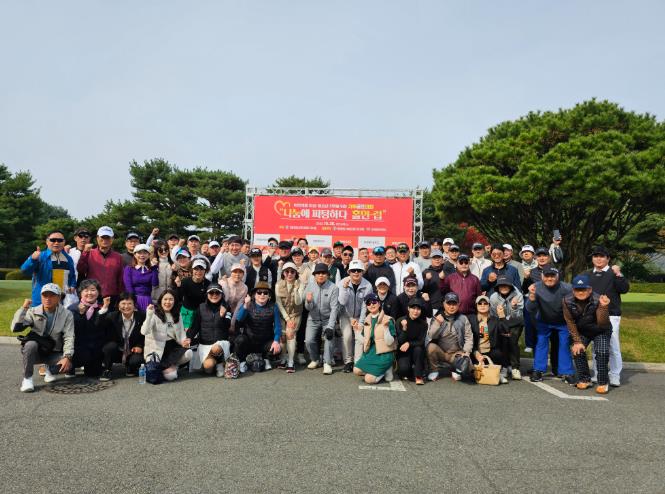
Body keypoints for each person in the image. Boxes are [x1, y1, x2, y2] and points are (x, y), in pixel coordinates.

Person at [12, 284, 74, 392]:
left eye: (52, 295)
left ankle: (48, 369)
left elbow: (69, 336)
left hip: (53, 352)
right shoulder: (33, 311)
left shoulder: (67, 314)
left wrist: (67, 357)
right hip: (35, 351)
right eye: (45, 295)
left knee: (69, 365)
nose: (48, 298)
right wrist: (24, 308)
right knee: (30, 345)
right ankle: (27, 379)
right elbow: (16, 328)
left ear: (59, 297)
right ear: (41, 297)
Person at [584, 245, 630, 387]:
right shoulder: (587, 274)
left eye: (602, 256)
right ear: (592, 258)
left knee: (613, 345)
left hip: (611, 315)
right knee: (596, 346)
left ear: (608, 259)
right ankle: (598, 373)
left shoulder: (613, 272)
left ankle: (615, 375)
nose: (598, 259)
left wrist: (619, 274)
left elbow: (624, 289)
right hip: (592, 315)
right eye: (595, 256)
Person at [563, 275, 612, 394]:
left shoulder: (598, 299)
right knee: (577, 350)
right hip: (583, 330)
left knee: (601, 352)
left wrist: (604, 307)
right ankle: (585, 379)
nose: (580, 292)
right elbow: (570, 321)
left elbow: (602, 322)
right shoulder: (566, 300)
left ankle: (602, 382)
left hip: (601, 330)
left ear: (590, 289)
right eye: (577, 289)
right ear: (573, 290)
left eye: (584, 289)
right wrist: (577, 341)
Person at [526, 266, 575, 383]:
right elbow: (529, 309)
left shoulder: (567, 288)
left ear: (557, 277)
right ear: (542, 276)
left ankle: (567, 372)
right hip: (543, 320)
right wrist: (532, 296)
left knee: (564, 344)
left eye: (552, 276)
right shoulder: (535, 287)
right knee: (541, 343)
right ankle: (538, 370)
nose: (549, 279)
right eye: (547, 276)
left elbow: (574, 306)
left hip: (562, 321)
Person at [141, 289, 192, 381]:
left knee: (189, 353)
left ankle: (173, 366)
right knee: (171, 376)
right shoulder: (154, 314)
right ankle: (164, 369)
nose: (168, 302)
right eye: (165, 299)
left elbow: (182, 334)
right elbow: (144, 332)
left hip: (172, 346)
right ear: (161, 300)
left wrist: (184, 342)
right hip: (158, 349)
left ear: (174, 301)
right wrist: (149, 315)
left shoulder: (177, 314)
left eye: (171, 299)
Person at [234, 281, 282, 373]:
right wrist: (245, 306)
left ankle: (266, 359)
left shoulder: (274, 306)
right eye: (259, 292)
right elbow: (239, 319)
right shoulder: (248, 304)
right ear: (254, 295)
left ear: (269, 296)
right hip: (249, 341)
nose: (262, 295)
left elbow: (277, 325)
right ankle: (242, 361)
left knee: (278, 347)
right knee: (240, 340)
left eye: (265, 293)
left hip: (265, 342)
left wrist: (276, 341)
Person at [21, 229, 77, 306]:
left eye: (60, 240)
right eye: (53, 240)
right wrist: (32, 260)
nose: (56, 243)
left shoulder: (68, 258)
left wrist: (73, 285)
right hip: (42, 301)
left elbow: (72, 275)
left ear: (64, 242)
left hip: (62, 301)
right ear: (47, 242)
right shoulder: (40, 256)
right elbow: (24, 271)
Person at [426, 292, 474, 381]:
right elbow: (431, 336)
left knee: (468, 366)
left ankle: (454, 369)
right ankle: (434, 370)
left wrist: (466, 352)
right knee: (430, 347)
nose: (451, 307)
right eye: (449, 304)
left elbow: (469, 337)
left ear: (458, 305)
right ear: (444, 304)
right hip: (441, 352)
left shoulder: (463, 318)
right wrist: (437, 324)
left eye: (454, 304)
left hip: (456, 354)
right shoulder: (438, 317)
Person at [187, 283, 232, 377]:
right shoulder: (201, 307)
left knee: (216, 348)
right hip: (205, 344)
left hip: (221, 343)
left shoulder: (226, 307)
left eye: (217, 293)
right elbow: (195, 326)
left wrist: (222, 316)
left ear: (221, 294)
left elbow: (227, 326)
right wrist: (188, 338)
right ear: (207, 294)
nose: (214, 295)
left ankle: (221, 361)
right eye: (211, 293)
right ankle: (218, 363)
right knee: (208, 367)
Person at [67, 279, 109, 379]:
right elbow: (74, 331)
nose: (89, 293)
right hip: (77, 347)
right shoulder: (72, 309)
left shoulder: (102, 308)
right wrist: (81, 315)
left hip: (95, 347)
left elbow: (100, 329)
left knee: (93, 374)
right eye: (86, 290)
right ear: (80, 293)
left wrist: (103, 310)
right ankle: (71, 366)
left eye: (93, 290)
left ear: (98, 292)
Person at [337, 259, 373, 372]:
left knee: (360, 338)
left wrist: (360, 322)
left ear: (362, 272)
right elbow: (341, 302)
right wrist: (345, 288)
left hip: (359, 316)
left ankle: (357, 362)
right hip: (345, 315)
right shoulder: (342, 283)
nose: (356, 273)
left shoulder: (367, 285)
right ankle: (348, 361)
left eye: (358, 270)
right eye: (353, 270)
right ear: (349, 272)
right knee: (347, 336)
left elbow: (365, 306)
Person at [304, 263, 340, 375]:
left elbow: (334, 308)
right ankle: (315, 359)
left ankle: (327, 363)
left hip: (327, 318)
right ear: (314, 275)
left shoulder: (334, 287)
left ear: (328, 275)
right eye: (318, 273)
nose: (321, 275)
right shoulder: (309, 286)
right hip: (313, 318)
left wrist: (330, 326)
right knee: (309, 341)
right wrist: (308, 301)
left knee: (329, 337)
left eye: (323, 273)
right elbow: (308, 308)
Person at [101, 292, 146, 380]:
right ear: (118, 305)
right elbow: (100, 325)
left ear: (134, 305)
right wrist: (104, 307)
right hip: (118, 349)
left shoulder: (141, 317)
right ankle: (107, 369)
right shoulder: (112, 316)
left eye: (129, 303)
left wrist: (140, 346)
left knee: (137, 360)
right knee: (109, 347)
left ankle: (130, 367)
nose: (126, 306)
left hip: (133, 350)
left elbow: (144, 335)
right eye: (123, 303)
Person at [353, 293, 396, 384]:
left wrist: (386, 329)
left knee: (368, 379)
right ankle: (378, 371)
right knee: (356, 370)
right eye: (368, 303)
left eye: (374, 302)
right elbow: (364, 341)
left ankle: (386, 369)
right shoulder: (367, 320)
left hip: (384, 355)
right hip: (371, 353)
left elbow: (390, 342)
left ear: (379, 304)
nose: (371, 305)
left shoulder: (388, 319)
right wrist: (356, 330)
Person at [77, 226, 125, 307]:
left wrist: (121, 297)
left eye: (108, 238)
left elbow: (120, 279)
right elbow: (81, 269)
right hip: (92, 297)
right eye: (102, 237)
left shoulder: (118, 257)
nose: (105, 240)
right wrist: (84, 253)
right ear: (97, 238)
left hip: (112, 297)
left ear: (112, 239)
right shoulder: (89, 253)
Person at [489, 276, 524, 380]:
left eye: (506, 285)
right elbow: (493, 315)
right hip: (500, 320)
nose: (504, 287)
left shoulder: (518, 295)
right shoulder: (493, 297)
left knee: (512, 341)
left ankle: (515, 368)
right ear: (498, 287)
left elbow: (518, 315)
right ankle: (504, 366)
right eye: (501, 285)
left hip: (515, 322)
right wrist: (501, 318)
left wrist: (514, 307)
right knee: (503, 341)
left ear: (510, 286)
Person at [468, 295, 509, 384]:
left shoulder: (495, 320)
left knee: (503, 344)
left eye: (485, 303)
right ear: (476, 306)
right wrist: (475, 352)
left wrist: (502, 317)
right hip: (475, 353)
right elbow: (467, 338)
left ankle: (498, 372)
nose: (482, 305)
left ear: (489, 306)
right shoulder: (470, 319)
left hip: (490, 352)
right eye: (480, 303)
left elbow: (506, 331)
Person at [274, 262, 305, 373]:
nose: (290, 274)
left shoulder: (300, 284)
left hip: (295, 314)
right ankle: (283, 358)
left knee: (290, 333)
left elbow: (298, 302)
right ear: (283, 273)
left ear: (296, 273)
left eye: (292, 271)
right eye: (287, 271)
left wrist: (296, 290)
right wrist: (287, 318)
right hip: (283, 314)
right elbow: (278, 303)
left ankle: (291, 362)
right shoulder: (278, 284)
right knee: (282, 337)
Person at [395, 297, 428, 384]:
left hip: (417, 351)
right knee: (403, 370)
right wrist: (404, 329)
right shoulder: (400, 320)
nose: (416, 311)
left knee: (418, 349)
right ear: (408, 308)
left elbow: (421, 341)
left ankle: (418, 376)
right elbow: (400, 341)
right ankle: (413, 369)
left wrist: (409, 343)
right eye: (413, 308)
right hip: (403, 351)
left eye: (418, 309)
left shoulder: (424, 324)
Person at [175, 258, 210, 330]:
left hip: (201, 314)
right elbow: (178, 298)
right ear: (192, 269)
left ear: (205, 270)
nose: (198, 272)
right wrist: (178, 286)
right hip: (186, 313)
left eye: (201, 269)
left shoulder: (208, 284)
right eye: (196, 269)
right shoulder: (185, 282)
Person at [122, 244, 158, 311]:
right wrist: (133, 302)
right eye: (139, 253)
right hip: (134, 299)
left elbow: (155, 283)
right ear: (135, 255)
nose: (142, 255)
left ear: (149, 255)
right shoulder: (129, 268)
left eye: (145, 253)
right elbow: (128, 286)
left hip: (148, 300)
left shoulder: (151, 269)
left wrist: (154, 268)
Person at [219, 263, 249, 333]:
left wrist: (232, 324)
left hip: (233, 313)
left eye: (240, 272)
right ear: (231, 273)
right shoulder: (222, 282)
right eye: (235, 272)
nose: (237, 274)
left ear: (243, 274)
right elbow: (223, 299)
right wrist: (226, 286)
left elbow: (239, 306)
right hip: (220, 311)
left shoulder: (244, 287)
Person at [519, 244, 538, 353]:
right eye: (524, 252)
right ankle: (529, 344)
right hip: (525, 296)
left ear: (533, 254)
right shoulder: (519, 266)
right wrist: (525, 278)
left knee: (539, 320)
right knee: (528, 321)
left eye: (528, 252)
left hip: (540, 296)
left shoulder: (538, 264)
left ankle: (538, 343)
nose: (526, 253)